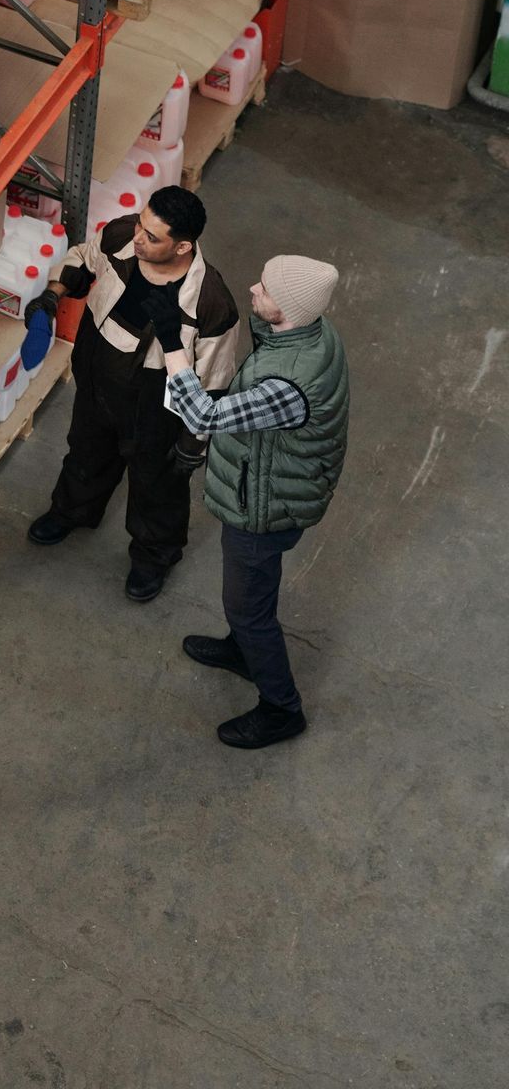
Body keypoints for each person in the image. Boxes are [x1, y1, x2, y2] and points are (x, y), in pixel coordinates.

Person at [153, 254, 349, 748]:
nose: (253, 287)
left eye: (266, 288)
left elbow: (202, 417)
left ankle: (282, 709)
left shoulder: (289, 385)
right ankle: (243, 652)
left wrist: (171, 340)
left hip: (265, 511)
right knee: (251, 600)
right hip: (263, 486)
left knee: (248, 609)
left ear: (286, 310)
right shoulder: (309, 333)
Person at [23, 187, 244, 602]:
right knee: (86, 451)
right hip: (98, 375)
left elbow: (212, 382)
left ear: (183, 246)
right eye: (141, 224)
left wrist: (192, 446)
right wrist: (53, 295)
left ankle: (153, 556)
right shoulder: (124, 236)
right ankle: (71, 512)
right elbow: (85, 258)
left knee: (156, 483)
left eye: (152, 236)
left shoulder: (210, 305)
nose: (138, 238)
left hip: (155, 400)